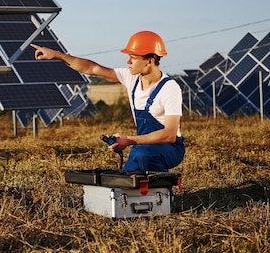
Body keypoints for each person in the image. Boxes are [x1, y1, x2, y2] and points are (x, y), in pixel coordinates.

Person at [31, 30, 184, 172]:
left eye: (133, 57)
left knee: (143, 156)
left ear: (149, 61)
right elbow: (92, 69)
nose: (128, 61)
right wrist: (57, 55)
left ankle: (163, 195)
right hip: (142, 146)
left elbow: (169, 135)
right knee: (125, 180)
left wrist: (129, 140)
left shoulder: (170, 88)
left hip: (170, 147)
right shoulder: (131, 78)